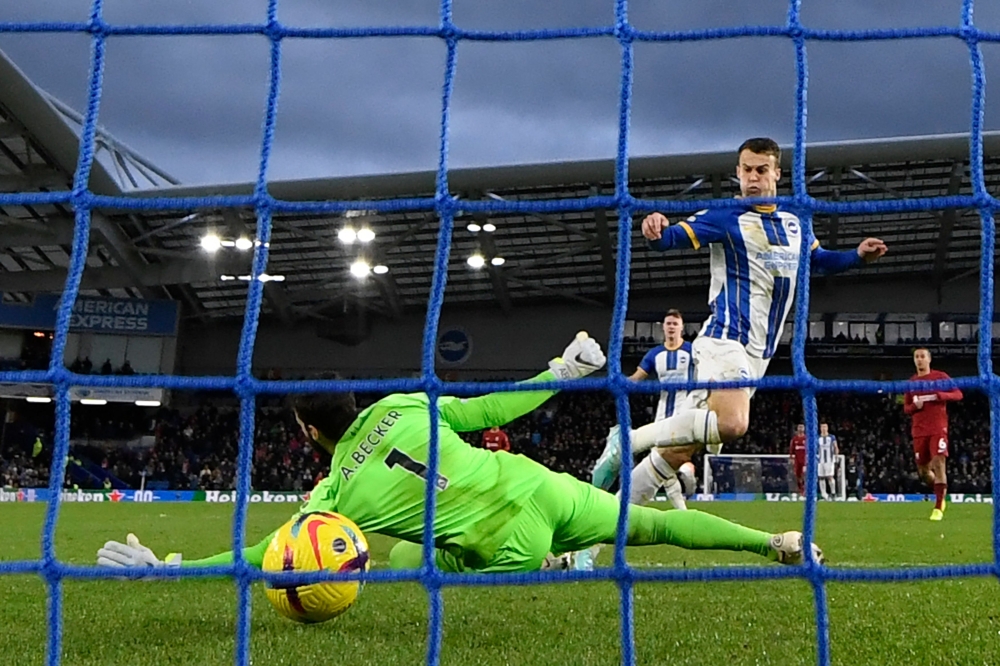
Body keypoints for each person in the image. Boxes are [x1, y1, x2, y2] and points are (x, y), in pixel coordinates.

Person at [96, 333, 822, 574]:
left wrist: (175, 568)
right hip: (537, 485)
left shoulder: (333, 497)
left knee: (408, 561)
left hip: (500, 543)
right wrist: (559, 376)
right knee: (654, 524)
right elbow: (486, 410)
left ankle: (547, 564)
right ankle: (778, 543)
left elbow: (268, 553)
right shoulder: (398, 404)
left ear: (305, 433)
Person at [592, 137, 887, 484]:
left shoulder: (795, 223)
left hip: (759, 353)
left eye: (761, 170)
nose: (753, 177)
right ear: (738, 172)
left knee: (679, 451)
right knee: (733, 424)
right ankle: (627, 440)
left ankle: (610, 523)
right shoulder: (724, 216)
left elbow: (818, 261)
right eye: (747, 170)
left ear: (777, 172)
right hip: (724, 338)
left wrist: (857, 256)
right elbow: (670, 240)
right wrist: (655, 230)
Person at [904, 348, 962, 521]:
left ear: (929, 359)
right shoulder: (911, 383)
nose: (920, 360)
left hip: (938, 428)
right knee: (923, 471)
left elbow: (958, 394)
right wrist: (916, 407)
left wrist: (940, 395)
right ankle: (940, 492)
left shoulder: (940, 377)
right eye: (917, 357)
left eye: (923, 356)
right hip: (919, 431)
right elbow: (906, 408)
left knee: (939, 462)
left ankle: (938, 506)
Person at [817, 422, 839, 501]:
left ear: (827, 428)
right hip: (820, 461)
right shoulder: (818, 438)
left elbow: (836, 447)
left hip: (829, 460)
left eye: (825, 427)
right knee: (821, 478)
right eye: (822, 427)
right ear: (820, 428)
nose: (823, 428)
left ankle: (833, 493)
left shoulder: (832, 437)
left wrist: (836, 457)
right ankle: (824, 494)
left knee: (830, 477)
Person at [788, 423, 806, 494]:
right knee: (798, 475)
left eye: (802, 427)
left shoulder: (806, 438)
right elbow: (791, 449)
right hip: (797, 460)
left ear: (804, 429)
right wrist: (791, 457)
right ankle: (800, 489)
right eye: (799, 427)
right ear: (797, 429)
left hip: (805, 460)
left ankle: (805, 489)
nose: (801, 429)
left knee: (804, 474)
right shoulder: (794, 439)